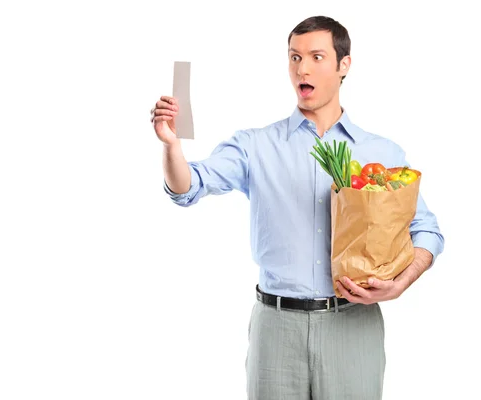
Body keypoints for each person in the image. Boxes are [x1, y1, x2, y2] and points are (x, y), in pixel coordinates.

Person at [150, 15, 444, 400]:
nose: (302, 68)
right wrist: (172, 146)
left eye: (317, 57)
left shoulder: (381, 153)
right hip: (276, 329)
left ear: (344, 65)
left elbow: (427, 231)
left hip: (353, 325)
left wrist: (401, 283)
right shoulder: (255, 146)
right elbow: (189, 186)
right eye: (294, 57)